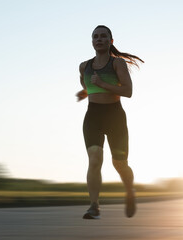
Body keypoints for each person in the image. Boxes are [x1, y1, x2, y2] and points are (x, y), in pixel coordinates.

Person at [76, 25, 144, 219]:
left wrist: (102, 84)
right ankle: (94, 206)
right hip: (93, 116)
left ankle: (130, 190)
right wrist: (82, 94)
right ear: (92, 42)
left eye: (103, 36)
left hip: (114, 116)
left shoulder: (118, 64)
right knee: (95, 158)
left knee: (120, 164)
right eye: (95, 36)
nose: (99, 39)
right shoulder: (84, 66)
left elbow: (128, 91)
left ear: (110, 41)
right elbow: (87, 87)